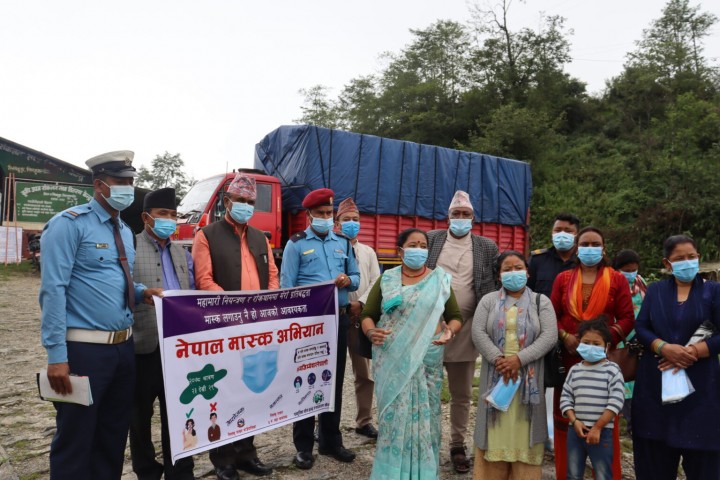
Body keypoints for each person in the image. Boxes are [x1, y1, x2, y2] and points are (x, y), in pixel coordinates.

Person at [39, 151, 162, 479]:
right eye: (121, 182)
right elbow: (53, 291)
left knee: (112, 436)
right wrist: (56, 356)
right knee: (76, 439)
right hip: (84, 351)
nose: (128, 188)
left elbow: (114, 279)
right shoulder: (68, 225)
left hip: (124, 348)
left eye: (131, 182)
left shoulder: (124, 230)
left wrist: (142, 292)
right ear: (99, 185)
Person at [192, 173, 278, 479]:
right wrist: (235, 309)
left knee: (252, 391)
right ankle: (224, 459)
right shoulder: (207, 235)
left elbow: (272, 275)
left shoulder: (260, 238)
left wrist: (266, 304)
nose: (245, 206)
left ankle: (247, 454)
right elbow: (204, 281)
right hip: (225, 327)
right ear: (227, 202)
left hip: (257, 328)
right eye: (240, 200)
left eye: (250, 202)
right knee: (226, 391)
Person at [360, 228, 463, 479]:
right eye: (413, 244)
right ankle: (391, 472)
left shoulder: (439, 279)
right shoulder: (388, 279)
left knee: (426, 418)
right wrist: (371, 332)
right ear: (400, 251)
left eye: (422, 245)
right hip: (393, 356)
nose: (418, 249)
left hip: (427, 356)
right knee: (394, 417)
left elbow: (455, 317)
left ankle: (423, 472)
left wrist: (450, 331)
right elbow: (368, 315)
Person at [280, 188, 360, 470]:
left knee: (333, 381)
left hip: (337, 320)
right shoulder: (296, 244)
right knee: (304, 381)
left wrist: (346, 279)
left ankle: (331, 441)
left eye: (329, 213)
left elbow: (356, 277)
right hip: (308, 324)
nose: (326, 218)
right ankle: (303, 446)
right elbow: (286, 287)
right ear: (309, 215)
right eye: (321, 214)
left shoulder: (343, 242)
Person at [632, 235, 720, 479]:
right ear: (667, 263)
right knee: (654, 462)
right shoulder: (657, 291)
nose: (687, 262)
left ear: (698, 258)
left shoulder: (713, 292)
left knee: (704, 465)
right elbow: (642, 327)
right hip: (656, 387)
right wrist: (663, 348)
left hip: (701, 392)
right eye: (679, 258)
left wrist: (692, 352)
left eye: (691, 257)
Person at [550, 226, 635, 479]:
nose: (589, 248)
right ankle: (569, 473)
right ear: (577, 248)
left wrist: (603, 341)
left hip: (603, 359)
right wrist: (565, 337)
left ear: (603, 248)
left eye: (594, 244)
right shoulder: (563, 279)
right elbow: (550, 315)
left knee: (606, 417)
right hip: (568, 358)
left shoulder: (616, 279)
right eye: (584, 244)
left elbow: (628, 318)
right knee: (566, 416)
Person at [426, 190, 499, 473]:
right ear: (448, 217)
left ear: (473, 218)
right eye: (455, 214)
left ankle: (457, 444)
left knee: (461, 393)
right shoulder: (431, 240)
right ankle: (428, 443)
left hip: (467, 327)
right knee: (428, 391)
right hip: (430, 327)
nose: (460, 219)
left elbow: (492, 285)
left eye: (465, 214)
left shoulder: (486, 246)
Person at [472, 251, 558, 480]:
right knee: (494, 429)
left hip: (529, 373)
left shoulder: (541, 301)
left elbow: (550, 335)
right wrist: (499, 359)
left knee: (525, 428)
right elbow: (478, 332)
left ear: (527, 272)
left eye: (518, 267)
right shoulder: (488, 301)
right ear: (499, 276)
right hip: (496, 372)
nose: (513, 273)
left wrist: (519, 359)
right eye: (507, 269)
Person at [130, 187, 196, 480]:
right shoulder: (129, 248)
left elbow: (190, 293)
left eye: (173, 214)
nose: (170, 220)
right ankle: (146, 471)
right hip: (144, 345)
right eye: (163, 214)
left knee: (182, 412)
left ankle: (180, 470)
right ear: (146, 217)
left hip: (178, 348)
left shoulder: (182, 252)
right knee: (140, 416)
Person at [335, 197, 381, 439]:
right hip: (334, 316)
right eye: (346, 220)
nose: (351, 223)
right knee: (329, 373)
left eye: (355, 220)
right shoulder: (331, 248)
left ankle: (364, 421)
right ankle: (323, 427)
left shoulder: (368, 252)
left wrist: (360, 303)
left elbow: (376, 281)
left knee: (364, 373)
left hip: (359, 317)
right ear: (337, 222)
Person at [560, 317, 625, 480]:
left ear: (606, 346)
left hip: (602, 432)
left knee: (603, 475)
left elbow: (616, 401)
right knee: (573, 475)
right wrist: (574, 421)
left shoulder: (612, 370)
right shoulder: (574, 370)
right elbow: (565, 398)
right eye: (586, 342)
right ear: (579, 342)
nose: (590, 347)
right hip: (575, 431)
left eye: (596, 344)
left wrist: (597, 427)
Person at [612, 248, 647, 435]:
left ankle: (635, 424)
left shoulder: (641, 283)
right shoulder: (613, 284)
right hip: (619, 340)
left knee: (636, 380)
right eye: (627, 269)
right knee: (622, 380)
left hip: (640, 341)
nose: (631, 273)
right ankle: (624, 420)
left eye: (634, 269)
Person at [527, 213, 580, 297]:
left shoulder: (583, 261)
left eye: (568, 231)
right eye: (558, 230)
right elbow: (526, 291)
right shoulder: (537, 260)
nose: (562, 234)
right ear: (552, 233)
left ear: (577, 235)